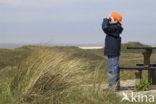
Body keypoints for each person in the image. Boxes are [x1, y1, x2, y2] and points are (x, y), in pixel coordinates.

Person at [102, 12, 124, 90]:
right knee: (114, 68)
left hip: (113, 51)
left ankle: (112, 87)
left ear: (115, 19)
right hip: (113, 50)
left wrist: (105, 19)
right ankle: (115, 86)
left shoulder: (116, 27)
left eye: (111, 18)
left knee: (112, 69)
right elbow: (107, 28)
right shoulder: (116, 27)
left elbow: (105, 28)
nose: (110, 19)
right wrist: (108, 20)